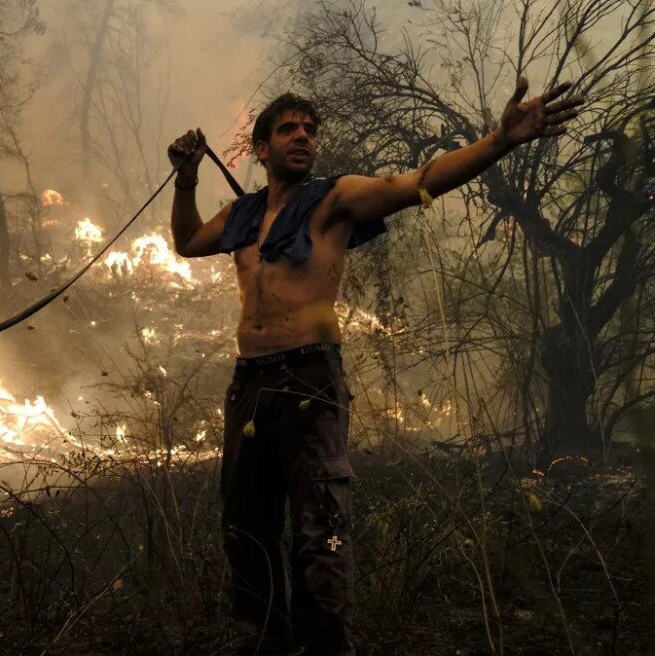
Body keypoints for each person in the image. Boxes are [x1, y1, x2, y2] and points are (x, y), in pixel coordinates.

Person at [167, 79, 582, 655]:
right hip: (250, 384)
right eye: (288, 129)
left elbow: (415, 182)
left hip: (310, 379)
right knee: (246, 528)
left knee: (320, 533)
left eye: (310, 130)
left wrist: (500, 141)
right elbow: (188, 240)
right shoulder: (243, 214)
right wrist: (186, 179)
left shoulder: (334, 199)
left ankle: (324, 650)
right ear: (260, 149)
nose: (303, 137)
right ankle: (262, 644)